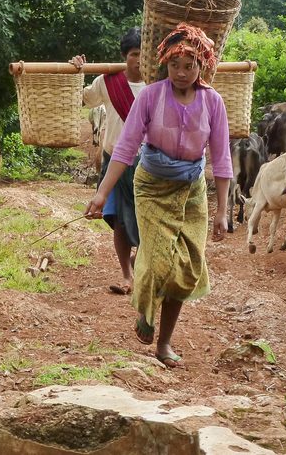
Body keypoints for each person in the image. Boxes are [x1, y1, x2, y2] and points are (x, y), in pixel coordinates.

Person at [85, 22, 231, 369]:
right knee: (160, 261)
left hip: (191, 190)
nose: (181, 73)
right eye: (175, 65)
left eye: (190, 65)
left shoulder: (213, 102)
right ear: (164, 63)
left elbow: (222, 158)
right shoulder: (151, 96)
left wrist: (223, 210)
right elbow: (125, 147)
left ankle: (164, 341)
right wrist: (101, 193)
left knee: (188, 267)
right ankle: (147, 314)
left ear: (202, 66)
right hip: (150, 185)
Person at [70, 28, 145, 297]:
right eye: (134, 54)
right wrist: (75, 72)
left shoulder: (160, 83)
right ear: (125, 56)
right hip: (114, 158)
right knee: (120, 221)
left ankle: (141, 265)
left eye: (144, 53)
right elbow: (81, 99)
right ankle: (126, 275)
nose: (139, 59)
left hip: (147, 164)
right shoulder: (108, 81)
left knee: (150, 220)